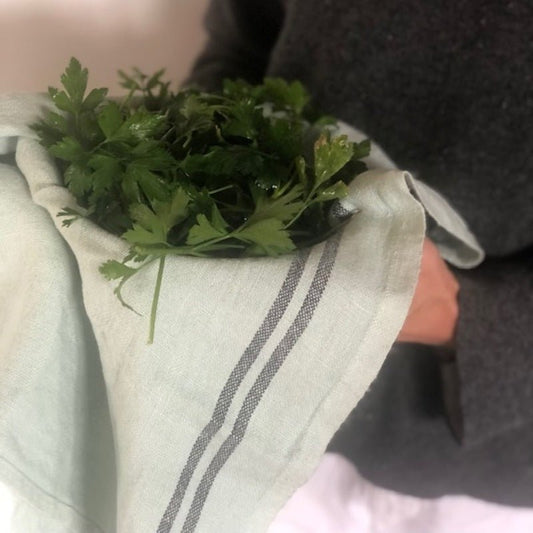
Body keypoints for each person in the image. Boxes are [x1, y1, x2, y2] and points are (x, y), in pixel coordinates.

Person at [185, 0, 533, 506]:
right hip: (244, 399)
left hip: (456, 460)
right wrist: (199, 157)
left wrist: (460, 315)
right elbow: (241, 41)